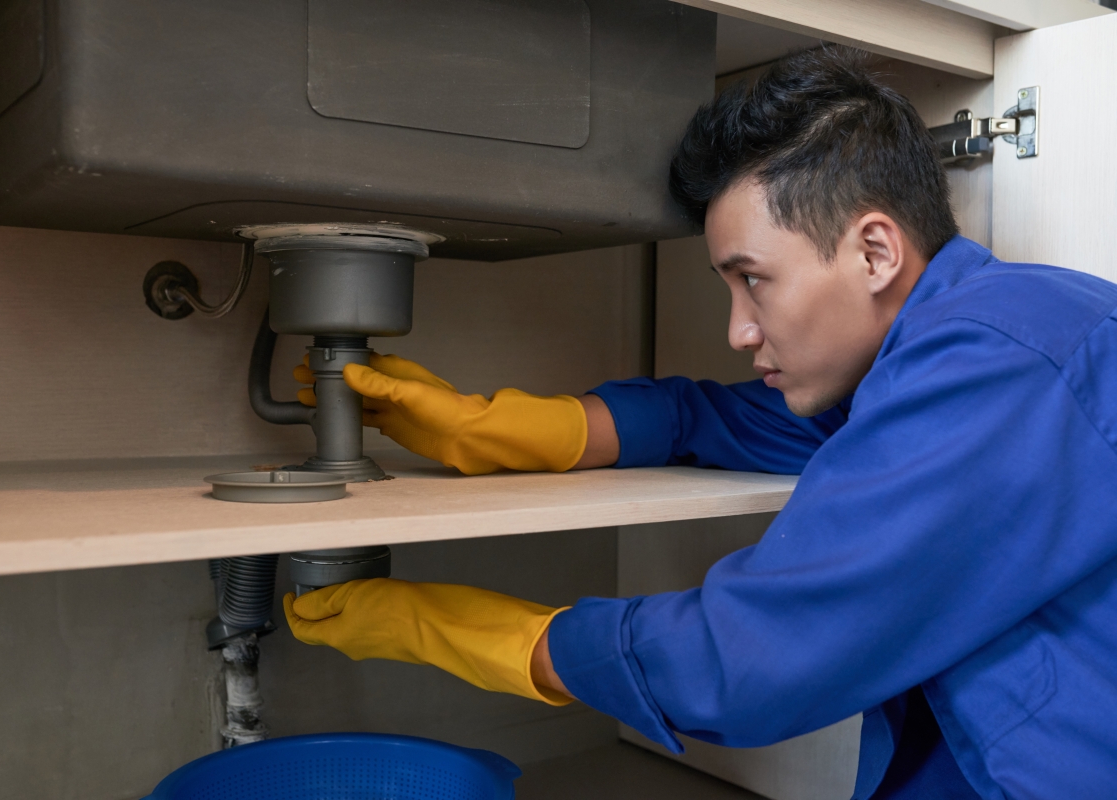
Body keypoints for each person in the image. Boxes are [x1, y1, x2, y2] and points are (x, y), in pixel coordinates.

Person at [282, 46, 1117, 799]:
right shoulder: (945, 359)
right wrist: (495, 428)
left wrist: (464, 632)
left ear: (874, 252)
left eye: (753, 280)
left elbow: (746, 660)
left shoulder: (1008, 358)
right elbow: (704, 419)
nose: (737, 330)